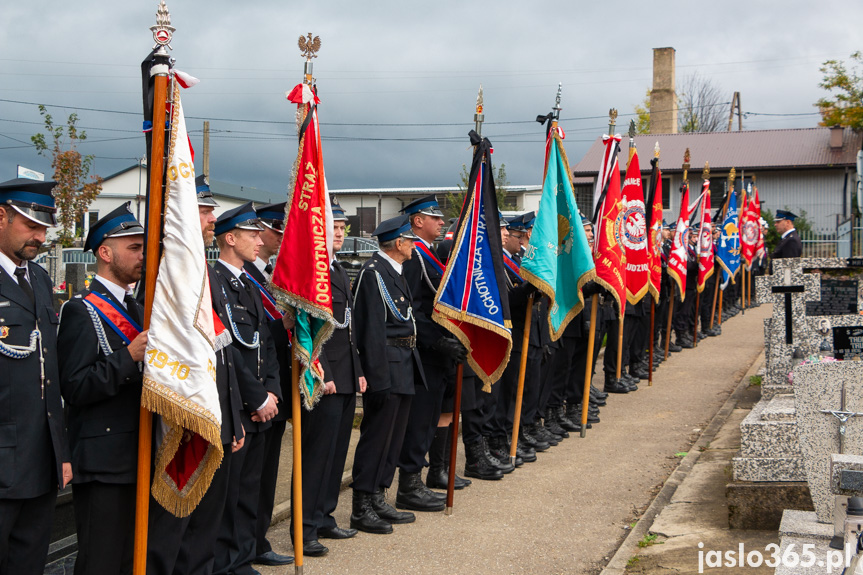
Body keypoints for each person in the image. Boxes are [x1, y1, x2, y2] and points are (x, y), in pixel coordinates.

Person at [146, 175, 249, 575]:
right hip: (182, 422)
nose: (211, 220)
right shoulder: (169, 277)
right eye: (204, 211)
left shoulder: (204, 277)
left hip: (214, 418)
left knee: (204, 531)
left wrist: (233, 419)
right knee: (170, 534)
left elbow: (223, 356)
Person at [0, 178, 71, 575]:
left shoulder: (40, 279)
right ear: (1, 216)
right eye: (30, 224)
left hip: (40, 462)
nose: (40, 236)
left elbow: (49, 373)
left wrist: (59, 453)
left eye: (44, 227)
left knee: (29, 564)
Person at [211, 202, 282, 575]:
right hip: (235, 406)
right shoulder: (212, 283)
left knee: (249, 490)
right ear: (230, 238)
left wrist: (272, 392)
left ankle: (241, 558)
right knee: (228, 492)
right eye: (252, 234)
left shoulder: (249, 284)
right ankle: (224, 563)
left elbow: (267, 344)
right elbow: (224, 348)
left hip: (261, 405)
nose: (260, 239)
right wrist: (256, 397)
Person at [296, 197, 366, 556]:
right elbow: (309, 329)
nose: (338, 234)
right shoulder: (313, 271)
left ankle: (323, 516)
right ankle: (304, 527)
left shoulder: (337, 269)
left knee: (337, 453)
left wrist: (358, 372)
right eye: (332, 228)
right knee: (316, 454)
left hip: (345, 375)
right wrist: (326, 374)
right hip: (325, 377)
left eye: (341, 229)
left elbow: (346, 328)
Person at [350, 215, 425, 535]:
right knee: (376, 437)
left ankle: (379, 494)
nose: (413, 246)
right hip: (385, 368)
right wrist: (376, 378)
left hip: (404, 363)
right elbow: (370, 330)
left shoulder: (394, 271)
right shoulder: (373, 273)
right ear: (398, 243)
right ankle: (362, 505)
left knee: (393, 438)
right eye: (410, 240)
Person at [396, 195, 467, 513]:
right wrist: (435, 340)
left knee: (431, 419)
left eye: (441, 219)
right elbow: (410, 310)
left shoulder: (430, 257)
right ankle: (409, 485)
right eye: (434, 218)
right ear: (416, 221)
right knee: (420, 420)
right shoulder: (415, 258)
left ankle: (421, 480)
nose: (441, 223)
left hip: (440, 353)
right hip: (424, 353)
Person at [243, 202, 294, 568]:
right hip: (253, 394)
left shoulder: (270, 275)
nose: (279, 238)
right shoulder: (245, 276)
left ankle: (257, 539)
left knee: (265, 475)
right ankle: (246, 543)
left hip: (273, 388)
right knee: (249, 480)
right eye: (276, 231)